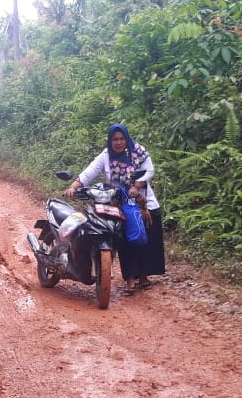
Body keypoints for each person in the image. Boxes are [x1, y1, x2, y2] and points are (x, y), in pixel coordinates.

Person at [64, 123, 166, 294]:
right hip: (119, 204)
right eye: (114, 139)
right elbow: (89, 173)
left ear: (126, 138)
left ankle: (144, 275)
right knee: (126, 241)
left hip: (143, 203)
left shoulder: (138, 151)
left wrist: (137, 185)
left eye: (121, 139)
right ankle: (130, 278)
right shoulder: (106, 156)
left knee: (147, 239)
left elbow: (149, 171)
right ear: (110, 141)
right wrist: (73, 187)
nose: (118, 142)